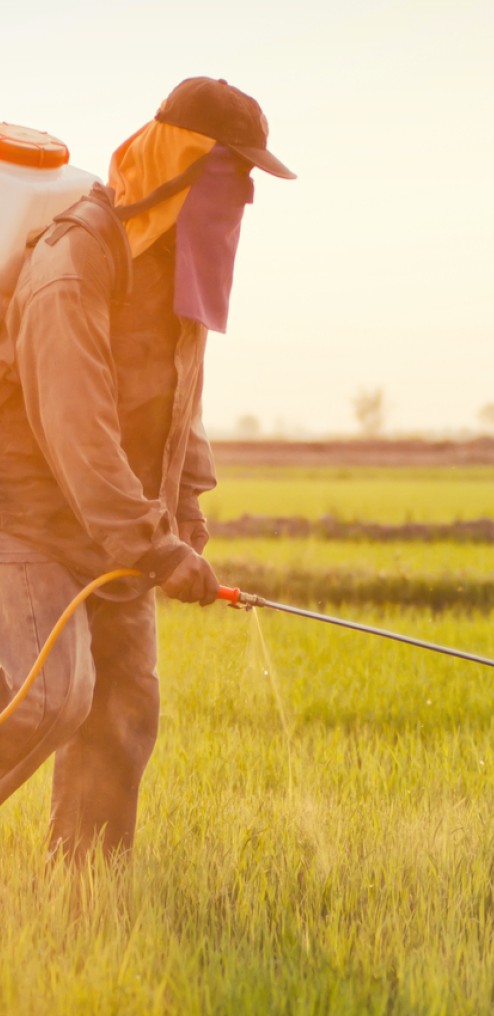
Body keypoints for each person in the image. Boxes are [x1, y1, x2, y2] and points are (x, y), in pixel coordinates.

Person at [0, 77, 295, 861]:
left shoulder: (177, 263)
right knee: (44, 702)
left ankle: (84, 902)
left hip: (120, 532)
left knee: (124, 714)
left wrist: (186, 506)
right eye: (234, 175)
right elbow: (76, 428)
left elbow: (181, 395)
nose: (245, 200)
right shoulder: (75, 258)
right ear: (180, 162)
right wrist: (151, 543)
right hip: (26, 515)